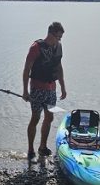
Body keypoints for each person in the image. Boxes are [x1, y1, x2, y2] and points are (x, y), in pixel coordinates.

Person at [22, 21, 67, 161]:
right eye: (57, 36)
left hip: (51, 89)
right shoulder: (36, 47)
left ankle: (42, 147)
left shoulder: (58, 47)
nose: (59, 40)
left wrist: (63, 86)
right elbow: (27, 69)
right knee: (35, 117)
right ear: (50, 33)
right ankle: (30, 149)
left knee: (49, 117)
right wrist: (25, 91)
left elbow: (59, 67)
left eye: (60, 37)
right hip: (37, 88)